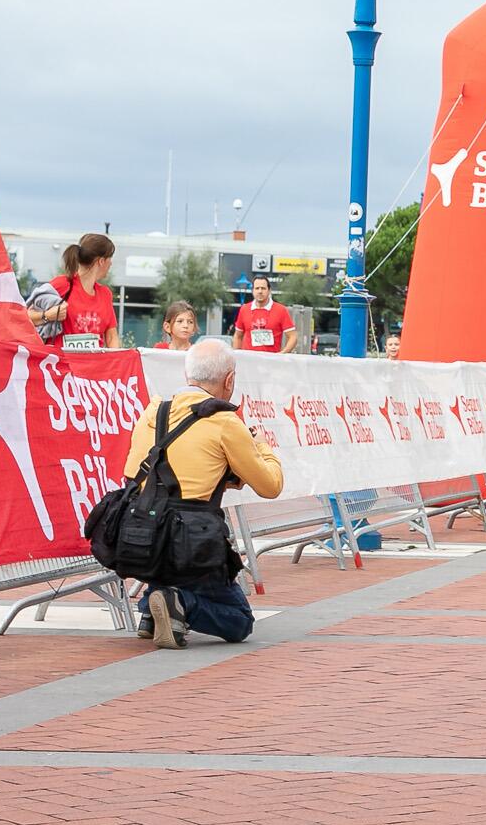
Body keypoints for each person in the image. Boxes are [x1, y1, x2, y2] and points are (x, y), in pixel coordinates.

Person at [121, 338, 284, 648]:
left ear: (187, 376)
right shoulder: (224, 422)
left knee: (170, 537)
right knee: (239, 621)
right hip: (192, 543)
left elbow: (135, 472)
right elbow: (270, 485)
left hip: (143, 538)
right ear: (229, 380)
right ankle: (177, 603)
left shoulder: (154, 411)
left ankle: (151, 608)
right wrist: (261, 444)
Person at [31, 234, 119, 351]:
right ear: (101, 261)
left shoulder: (105, 294)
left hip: (95, 367)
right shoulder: (62, 284)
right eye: (110, 258)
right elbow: (25, 316)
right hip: (63, 366)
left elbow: (111, 336)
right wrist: (47, 316)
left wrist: (117, 361)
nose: (111, 263)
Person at [233, 275, 297, 354]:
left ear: (269, 290)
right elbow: (238, 336)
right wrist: (237, 356)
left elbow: (292, 336)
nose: (260, 291)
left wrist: (282, 353)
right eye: (257, 288)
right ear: (252, 291)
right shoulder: (244, 309)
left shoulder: (281, 310)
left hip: (271, 361)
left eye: (263, 288)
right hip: (249, 360)